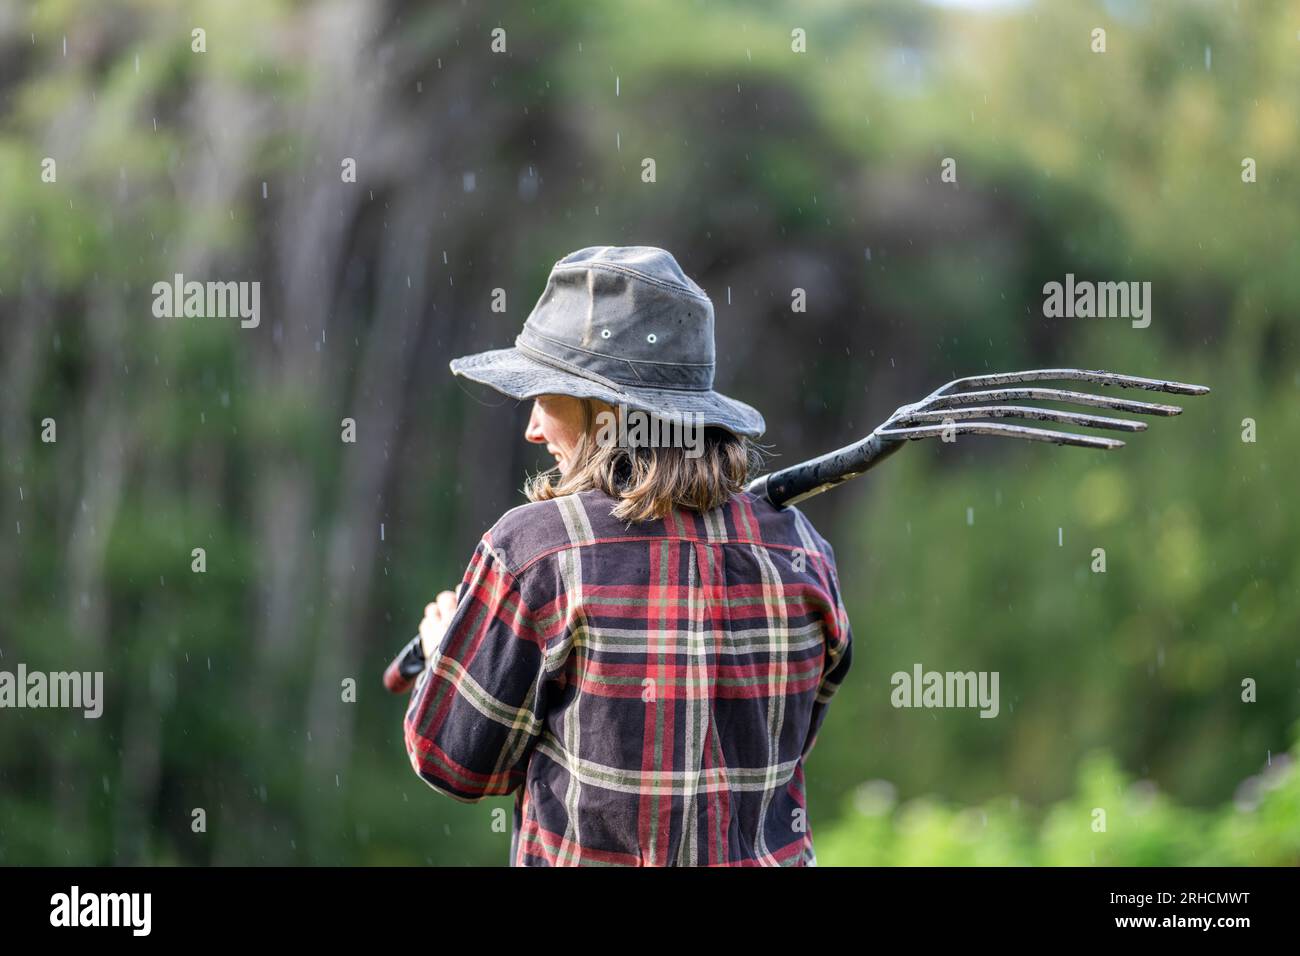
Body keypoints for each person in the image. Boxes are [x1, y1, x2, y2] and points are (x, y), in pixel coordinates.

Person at [403, 245, 853, 866]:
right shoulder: (803, 548)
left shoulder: (535, 553)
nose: (533, 428)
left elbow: (454, 763)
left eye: (547, 395)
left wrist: (439, 656)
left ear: (610, 413)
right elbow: (793, 737)